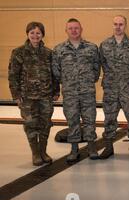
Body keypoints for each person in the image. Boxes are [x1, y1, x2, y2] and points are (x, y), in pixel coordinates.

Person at [8, 22, 59, 166]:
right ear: (27, 34)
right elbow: (13, 75)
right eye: (32, 33)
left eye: (38, 33)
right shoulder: (18, 52)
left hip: (45, 96)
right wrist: (16, 95)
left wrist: (56, 91)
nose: (35, 36)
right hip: (27, 98)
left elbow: (54, 74)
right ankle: (35, 153)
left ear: (43, 34)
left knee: (45, 124)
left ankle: (43, 151)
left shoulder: (49, 53)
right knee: (31, 124)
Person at [52, 18, 100, 163]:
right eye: (70, 28)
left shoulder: (91, 48)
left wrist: (88, 80)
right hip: (70, 93)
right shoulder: (59, 49)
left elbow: (96, 69)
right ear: (66, 30)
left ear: (81, 29)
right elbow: (56, 71)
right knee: (72, 120)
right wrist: (68, 82)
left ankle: (92, 147)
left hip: (87, 92)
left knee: (89, 119)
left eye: (76, 28)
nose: (74, 31)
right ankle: (74, 149)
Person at [98, 15, 129, 159]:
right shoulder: (105, 45)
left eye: (121, 24)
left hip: (128, 88)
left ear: (125, 25)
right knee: (109, 117)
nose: (118, 27)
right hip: (110, 88)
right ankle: (108, 146)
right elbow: (102, 64)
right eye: (115, 24)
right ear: (112, 25)